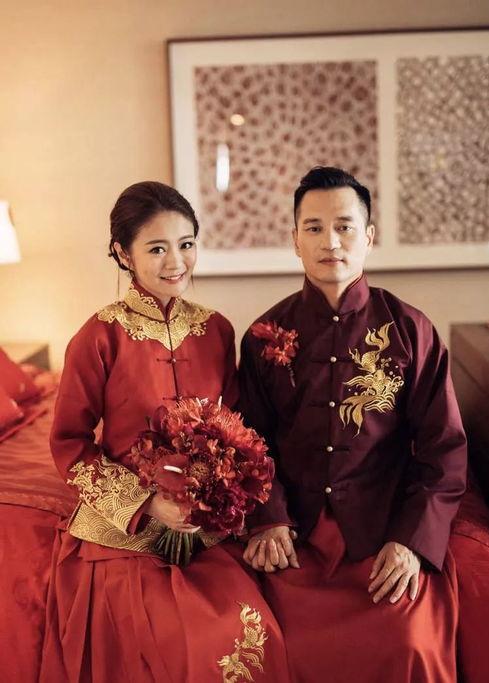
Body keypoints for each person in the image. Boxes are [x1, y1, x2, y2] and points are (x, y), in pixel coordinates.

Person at [40, 181, 290, 683]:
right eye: (157, 248)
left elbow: (236, 429)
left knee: (250, 631)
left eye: (186, 244)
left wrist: (222, 499)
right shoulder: (98, 337)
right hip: (124, 533)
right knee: (179, 641)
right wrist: (149, 504)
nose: (176, 261)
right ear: (123, 254)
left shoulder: (216, 329)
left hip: (206, 531)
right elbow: (68, 442)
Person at [238, 167, 467, 682]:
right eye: (314, 228)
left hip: (383, 532)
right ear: (295, 240)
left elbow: (445, 451)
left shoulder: (411, 330)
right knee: (271, 644)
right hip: (296, 538)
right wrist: (268, 518)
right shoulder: (263, 336)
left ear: (368, 236)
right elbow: (249, 442)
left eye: (344, 226)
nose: (330, 242)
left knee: (409, 645)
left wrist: (412, 542)